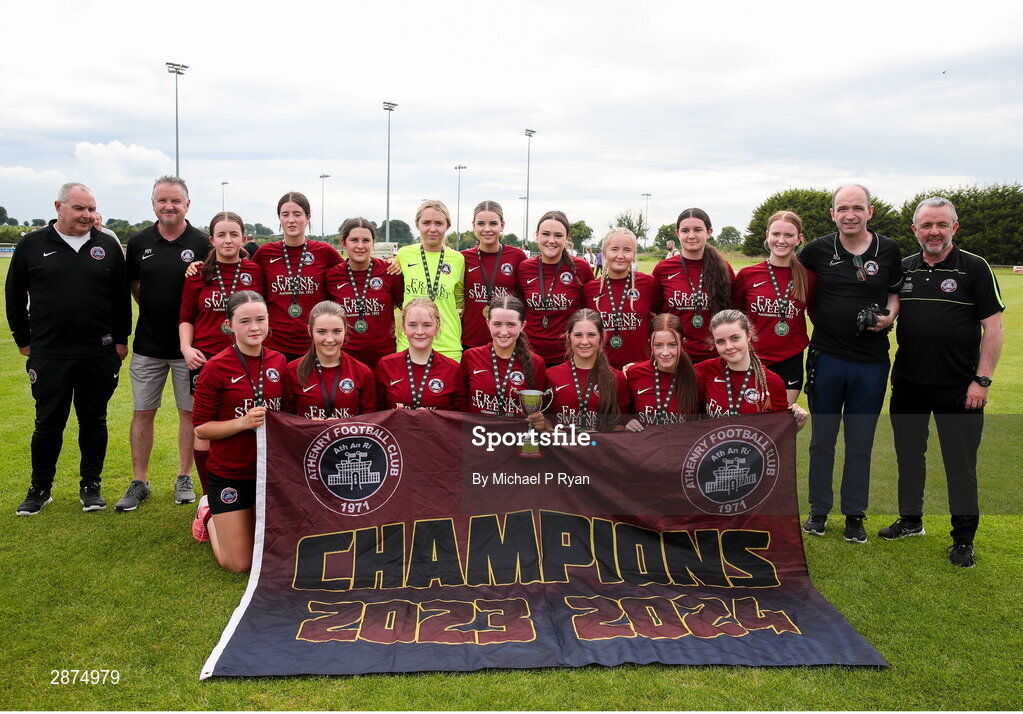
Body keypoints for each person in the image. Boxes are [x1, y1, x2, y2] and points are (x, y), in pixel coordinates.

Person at [883, 197, 1004, 568]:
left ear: (955, 227)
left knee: (960, 464)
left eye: (941, 224)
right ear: (914, 230)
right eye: (926, 225)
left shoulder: (975, 268)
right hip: (908, 381)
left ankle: (963, 539)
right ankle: (911, 520)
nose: (933, 232)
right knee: (909, 456)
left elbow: (994, 327)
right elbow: (889, 315)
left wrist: (981, 381)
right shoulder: (903, 269)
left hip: (959, 386)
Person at [8, 183, 130, 515]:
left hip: (98, 352)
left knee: (94, 420)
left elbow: (120, 299)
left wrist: (121, 340)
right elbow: (14, 294)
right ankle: (40, 488)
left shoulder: (106, 245)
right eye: (79, 209)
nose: (87, 215)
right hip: (50, 353)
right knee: (48, 422)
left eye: (91, 209)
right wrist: (23, 339)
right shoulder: (32, 245)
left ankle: (91, 486)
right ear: (58, 207)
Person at [798, 184, 902, 543]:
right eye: (843, 208)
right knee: (822, 441)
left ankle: (855, 515)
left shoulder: (888, 249)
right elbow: (793, 278)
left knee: (860, 442)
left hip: (871, 363)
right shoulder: (816, 250)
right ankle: (818, 511)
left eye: (857, 207)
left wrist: (889, 317)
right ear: (833, 214)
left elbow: (894, 291)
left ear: (870, 211)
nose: (850, 214)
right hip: (826, 358)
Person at [119, 176, 211, 512]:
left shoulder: (203, 242)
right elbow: (134, 283)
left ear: (188, 204)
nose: (168, 206)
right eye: (162, 201)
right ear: (153, 203)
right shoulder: (140, 240)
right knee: (143, 412)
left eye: (175, 200)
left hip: (191, 349)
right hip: (148, 344)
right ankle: (139, 480)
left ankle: (184, 476)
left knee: (190, 414)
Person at [191, 291, 286, 571]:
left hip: (270, 475)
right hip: (231, 473)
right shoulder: (215, 367)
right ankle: (207, 513)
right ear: (229, 325)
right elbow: (201, 428)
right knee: (239, 563)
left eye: (260, 319)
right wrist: (242, 423)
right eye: (245, 321)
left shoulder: (280, 362)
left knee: (278, 552)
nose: (254, 327)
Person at [179, 211, 263, 495]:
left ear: (243, 238)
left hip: (248, 359)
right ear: (211, 239)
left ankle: (249, 488)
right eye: (222, 235)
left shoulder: (256, 271)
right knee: (203, 427)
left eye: (234, 234)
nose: (228, 240)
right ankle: (208, 498)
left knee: (244, 421)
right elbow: (186, 317)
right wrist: (187, 348)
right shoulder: (198, 274)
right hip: (206, 360)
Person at [732, 210, 815, 404]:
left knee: (782, 421)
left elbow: (818, 314)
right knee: (751, 422)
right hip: (752, 358)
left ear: (799, 239)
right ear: (767, 235)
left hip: (790, 361)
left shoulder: (808, 277)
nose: (781, 240)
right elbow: (735, 317)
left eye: (789, 235)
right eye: (776, 234)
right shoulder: (747, 274)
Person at [253, 191, 341, 362]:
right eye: (285, 214)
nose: (291, 219)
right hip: (274, 344)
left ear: (308, 218)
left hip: (316, 343)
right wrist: (201, 265)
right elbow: (242, 272)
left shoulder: (324, 252)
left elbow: (352, 271)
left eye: (297, 214)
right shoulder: (265, 253)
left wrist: (391, 262)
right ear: (279, 218)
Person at [696, 310, 808, 428]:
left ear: (748, 336)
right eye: (720, 341)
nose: (728, 346)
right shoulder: (705, 371)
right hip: (713, 445)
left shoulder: (772, 382)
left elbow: (778, 436)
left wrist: (798, 424)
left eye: (734, 338)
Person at [652, 208, 735, 364]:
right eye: (685, 230)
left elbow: (733, 312)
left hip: (715, 357)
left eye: (697, 230)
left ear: (709, 232)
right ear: (677, 234)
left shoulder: (723, 268)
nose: (691, 235)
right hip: (675, 356)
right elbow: (656, 313)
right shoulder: (663, 269)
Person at [532, 308, 630, 432]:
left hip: (600, 449)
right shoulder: (550, 375)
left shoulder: (617, 378)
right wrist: (550, 428)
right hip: (561, 449)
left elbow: (622, 424)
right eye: (578, 335)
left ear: (602, 337)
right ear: (568, 337)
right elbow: (544, 420)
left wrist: (598, 436)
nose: (584, 341)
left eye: (591, 335)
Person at [517, 211, 594, 367]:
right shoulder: (525, 268)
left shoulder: (581, 268)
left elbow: (589, 312)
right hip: (529, 354)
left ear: (566, 238)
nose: (551, 240)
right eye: (546, 234)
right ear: (537, 235)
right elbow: (520, 308)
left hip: (569, 356)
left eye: (558, 235)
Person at [326, 218, 403, 369]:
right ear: (344, 243)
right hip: (345, 360)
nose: (360, 246)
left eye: (366, 240)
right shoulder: (331, 276)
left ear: (373, 242)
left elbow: (404, 308)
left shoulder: (389, 272)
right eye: (354, 240)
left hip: (385, 359)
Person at [394, 200, 466, 361]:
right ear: (417, 224)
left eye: (439, 223)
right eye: (426, 223)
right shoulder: (403, 255)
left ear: (447, 226)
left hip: (448, 345)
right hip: (409, 343)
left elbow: (460, 299)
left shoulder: (457, 259)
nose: (432, 229)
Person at [583, 227, 662, 369]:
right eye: (614, 249)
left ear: (634, 254)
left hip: (639, 368)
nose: (620, 255)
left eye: (627, 250)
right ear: (604, 253)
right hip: (600, 370)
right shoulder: (590, 289)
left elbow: (660, 317)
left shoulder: (649, 284)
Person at [283, 301, 375, 419]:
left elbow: (370, 421)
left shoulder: (362, 372)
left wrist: (342, 426)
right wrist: (308, 426)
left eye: (337, 331)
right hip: (307, 437)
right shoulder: (292, 371)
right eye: (321, 332)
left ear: (345, 330)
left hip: (349, 438)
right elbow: (286, 421)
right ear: (310, 331)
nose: (330, 339)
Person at [460, 295, 546, 416]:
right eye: (497, 324)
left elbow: (537, 411)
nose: (504, 331)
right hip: (477, 432)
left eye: (511, 324)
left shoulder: (536, 363)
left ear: (522, 326)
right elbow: (460, 404)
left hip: (514, 434)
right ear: (487, 323)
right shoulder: (470, 356)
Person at [375, 298, 465, 410]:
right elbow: (377, 415)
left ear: (437, 327)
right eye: (412, 325)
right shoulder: (386, 365)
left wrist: (434, 418)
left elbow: (461, 417)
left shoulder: (452, 369)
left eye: (427, 325)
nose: (420, 332)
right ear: (404, 327)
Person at [460, 201, 526, 349]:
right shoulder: (462, 258)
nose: (487, 229)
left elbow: (524, 298)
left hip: (508, 340)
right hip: (472, 340)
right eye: (481, 223)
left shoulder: (517, 256)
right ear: (473, 225)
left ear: (502, 225)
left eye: (493, 224)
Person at [623, 313, 699, 430]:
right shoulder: (634, 373)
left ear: (682, 344)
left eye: (672, 345)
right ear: (650, 344)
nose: (665, 352)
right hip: (645, 446)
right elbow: (623, 414)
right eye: (658, 345)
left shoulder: (697, 378)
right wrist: (628, 422)